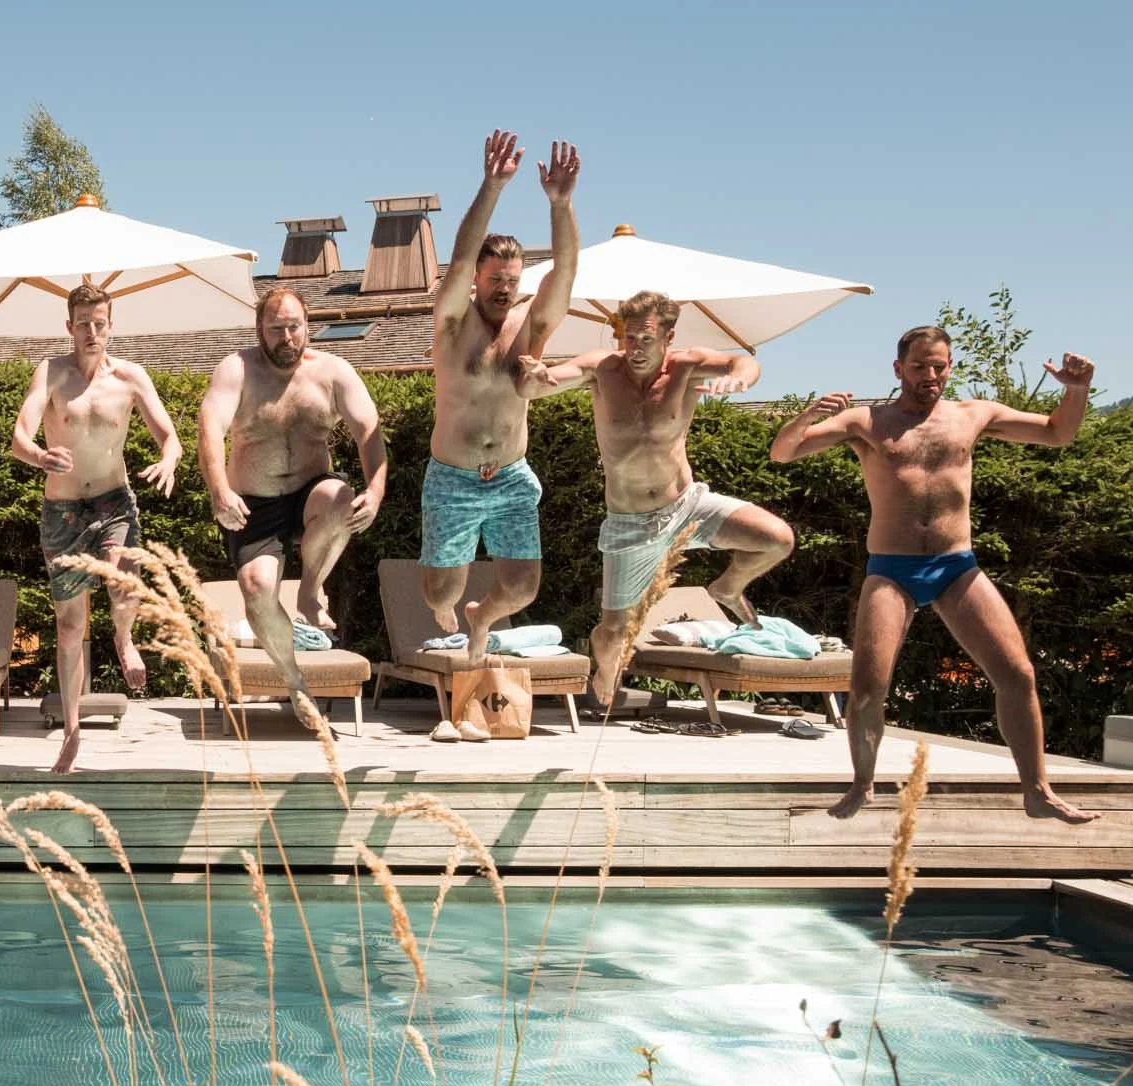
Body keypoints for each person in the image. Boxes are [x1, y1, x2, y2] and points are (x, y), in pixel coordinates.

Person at [770, 326, 1098, 824]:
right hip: (891, 570)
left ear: (949, 367)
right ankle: (862, 784)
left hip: (956, 567)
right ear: (898, 368)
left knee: (1018, 674)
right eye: (919, 366)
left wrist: (1076, 390)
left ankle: (1037, 791)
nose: (930, 375)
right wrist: (807, 417)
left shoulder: (973, 415)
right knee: (868, 688)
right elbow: (783, 452)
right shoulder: (867, 421)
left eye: (939, 366)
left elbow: (1058, 433)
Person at [518, 290, 793, 706]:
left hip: (687, 506)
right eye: (629, 338)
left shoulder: (686, 366)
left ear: (669, 337)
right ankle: (605, 672)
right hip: (631, 522)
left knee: (777, 539)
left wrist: (740, 378)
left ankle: (727, 588)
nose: (635, 348)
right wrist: (537, 376)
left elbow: (743, 362)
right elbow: (538, 386)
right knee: (613, 632)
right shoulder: (603, 369)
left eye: (646, 339)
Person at [422, 129, 580, 667]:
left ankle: (482, 617)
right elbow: (459, 258)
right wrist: (492, 187)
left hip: (511, 475)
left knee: (522, 588)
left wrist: (561, 204)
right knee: (438, 593)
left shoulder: (532, 323)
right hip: (453, 477)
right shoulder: (452, 323)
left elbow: (566, 271)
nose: (504, 289)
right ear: (475, 279)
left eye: (512, 280)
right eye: (494, 279)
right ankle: (451, 605)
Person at [10, 282, 183, 772]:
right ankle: (71, 731)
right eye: (83, 324)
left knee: (123, 582)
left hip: (113, 501)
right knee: (69, 626)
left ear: (111, 326)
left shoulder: (131, 377)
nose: (91, 332)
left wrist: (168, 460)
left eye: (99, 324)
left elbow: (169, 436)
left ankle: (124, 639)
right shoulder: (51, 373)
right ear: (69, 326)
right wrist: (40, 456)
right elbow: (19, 437)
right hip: (62, 509)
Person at [199, 287, 385, 714]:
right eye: (276, 328)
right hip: (254, 504)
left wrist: (375, 490)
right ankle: (293, 678)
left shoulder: (333, 372)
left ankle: (310, 592)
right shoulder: (237, 370)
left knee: (341, 497)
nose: (286, 337)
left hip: (309, 495)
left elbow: (369, 431)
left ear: (308, 326)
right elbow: (210, 429)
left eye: (294, 327)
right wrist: (219, 490)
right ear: (259, 329)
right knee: (257, 590)